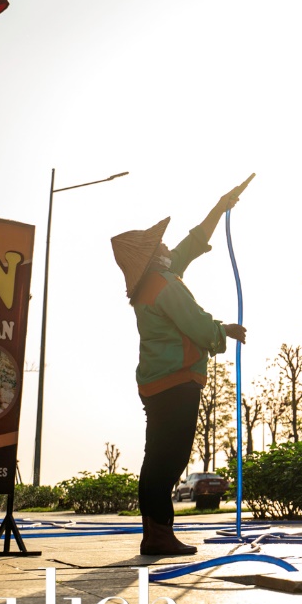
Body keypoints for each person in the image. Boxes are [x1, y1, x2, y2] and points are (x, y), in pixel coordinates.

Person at [110, 180, 250, 556]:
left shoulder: (151, 284)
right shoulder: (166, 286)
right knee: (168, 458)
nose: (170, 246)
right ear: (156, 255)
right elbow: (198, 325)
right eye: (163, 245)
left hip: (157, 383)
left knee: (157, 455)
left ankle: (154, 531)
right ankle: (158, 533)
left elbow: (191, 244)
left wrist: (220, 207)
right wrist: (225, 331)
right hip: (175, 382)